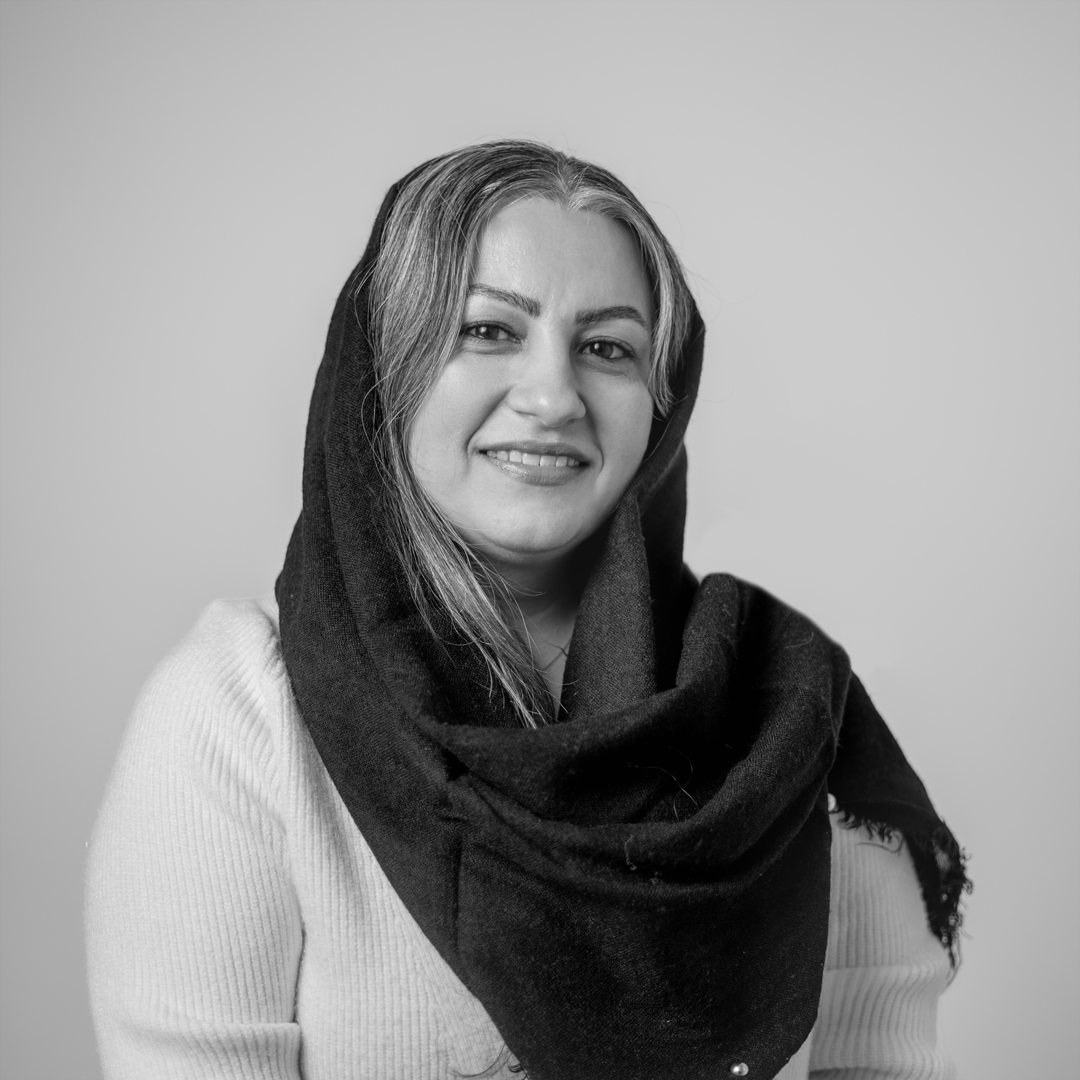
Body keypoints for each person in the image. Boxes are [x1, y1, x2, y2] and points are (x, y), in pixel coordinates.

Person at [86, 141, 969, 1080]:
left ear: (662, 403)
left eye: (608, 348)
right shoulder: (240, 716)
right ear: (385, 367)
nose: (552, 398)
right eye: (488, 330)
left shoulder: (782, 707)